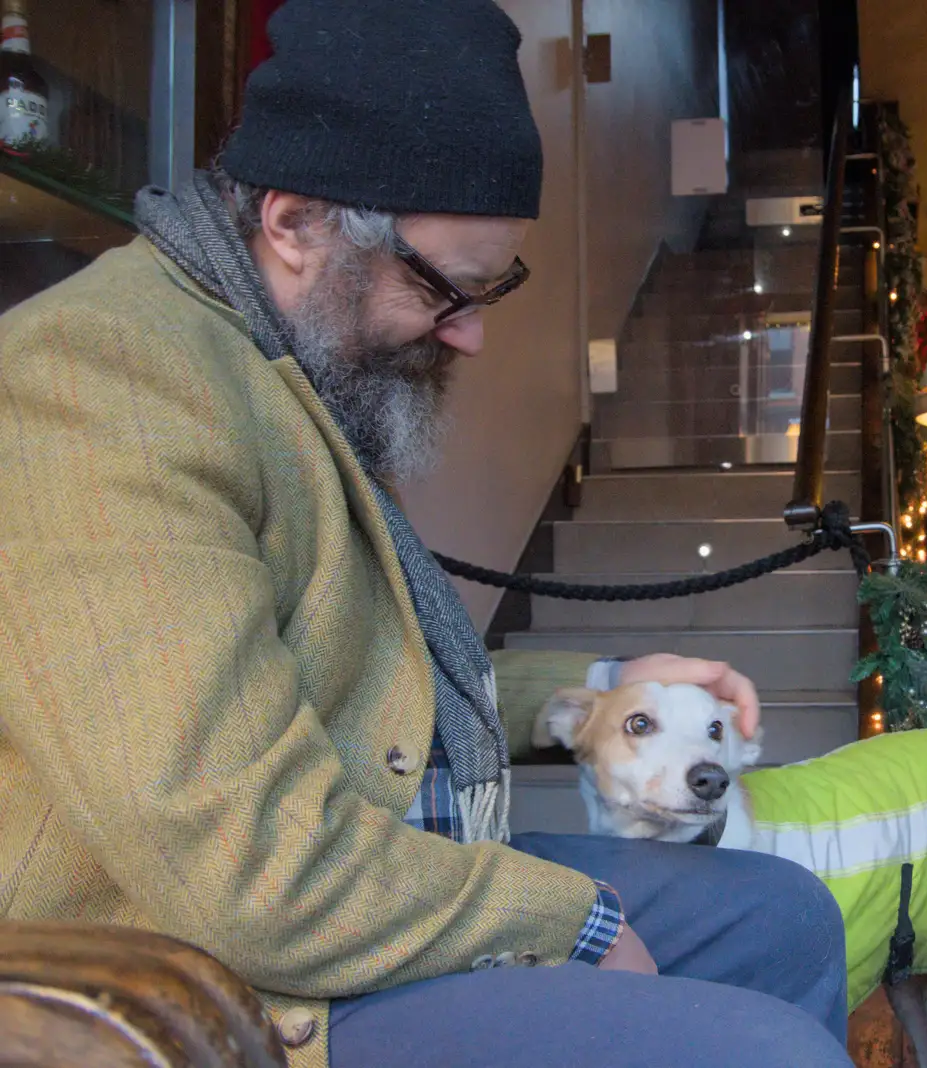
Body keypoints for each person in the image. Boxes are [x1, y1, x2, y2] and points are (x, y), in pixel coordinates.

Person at [0, 3, 849, 1067]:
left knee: (782, 914)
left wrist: (605, 678)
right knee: (764, 1051)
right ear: (296, 222)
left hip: (384, 860)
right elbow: (250, 872)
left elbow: (363, 680)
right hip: (232, 975)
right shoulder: (103, 386)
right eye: (444, 287)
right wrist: (574, 917)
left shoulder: (285, 359)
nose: (474, 333)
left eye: (494, 286)